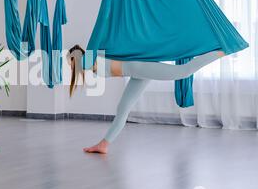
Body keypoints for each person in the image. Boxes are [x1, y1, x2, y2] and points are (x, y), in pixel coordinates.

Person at [67, 45, 225, 154]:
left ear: (77, 57)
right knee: (122, 109)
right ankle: (104, 145)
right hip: (136, 73)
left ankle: (221, 51)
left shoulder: (90, 57)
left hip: (140, 67)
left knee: (183, 71)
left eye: (70, 62)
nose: (70, 66)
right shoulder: (92, 59)